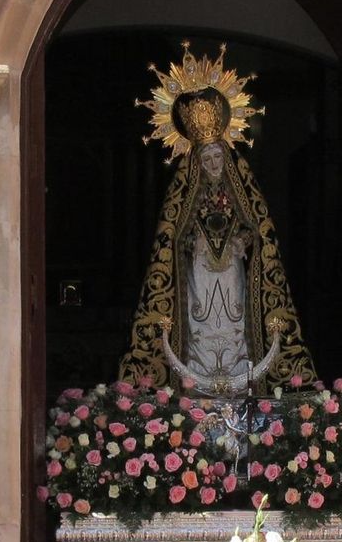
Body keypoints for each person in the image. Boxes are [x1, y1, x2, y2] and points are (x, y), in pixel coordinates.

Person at [118, 45, 314, 393]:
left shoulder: (241, 191)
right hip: (199, 271)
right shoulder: (184, 194)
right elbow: (170, 238)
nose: (212, 164)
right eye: (205, 158)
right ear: (196, 161)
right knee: (200, 324)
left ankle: (239, 385)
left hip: (233, 270)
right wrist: (192, 242)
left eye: (216, 157)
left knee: (234, 321)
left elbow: (260, 230)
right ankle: (197, 386)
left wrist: (243, 239)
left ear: (225, 157)